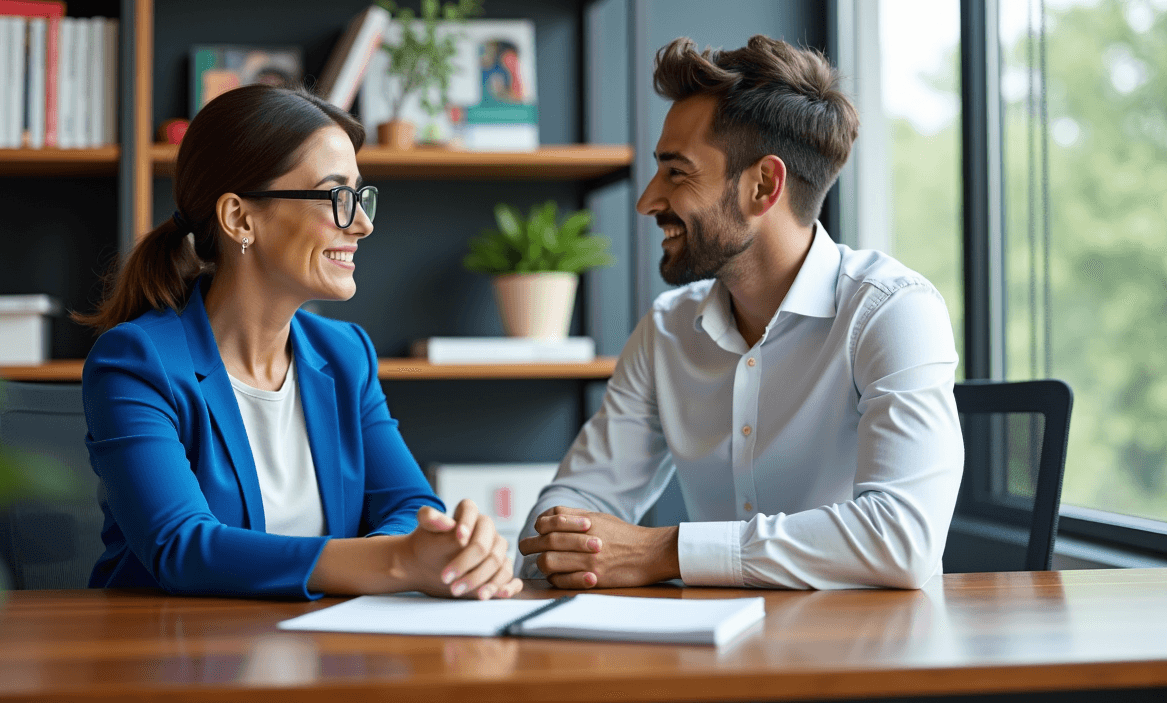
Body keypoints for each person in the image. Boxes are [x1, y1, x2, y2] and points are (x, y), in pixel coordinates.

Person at [516, 35, 964, 590]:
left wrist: (664, 551)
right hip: (710, 640)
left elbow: (903, 539)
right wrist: (560, 546)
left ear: (763, 185)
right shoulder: (666, 331)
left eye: (676, 172)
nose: (647, 201)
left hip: (864, 641)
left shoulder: (892, 312)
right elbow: (578, 498)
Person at [76, 84, 522, 601]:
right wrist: (398, 561)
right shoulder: (136, 362)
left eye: (360, 196)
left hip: (323, 639)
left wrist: (444, 549)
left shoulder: (345, 354)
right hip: (174, 643)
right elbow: (182, 547)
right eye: (337, 197)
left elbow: (409, 505)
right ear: (240, 218)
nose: (362, 224)